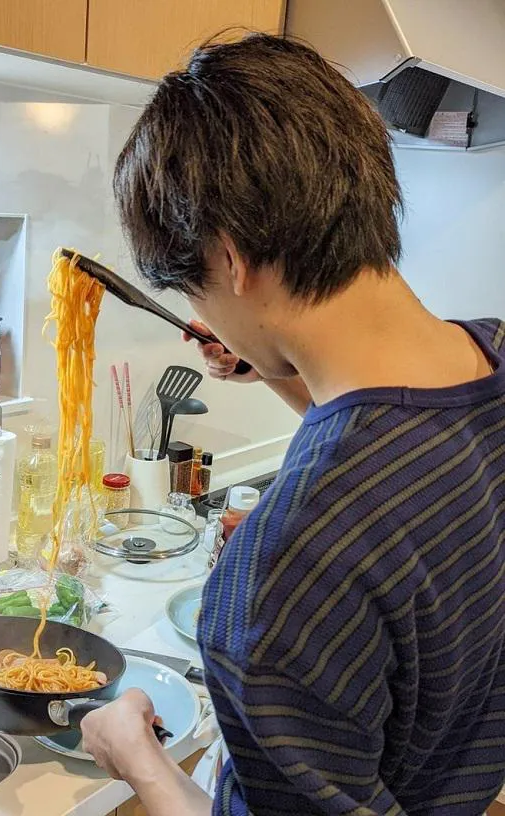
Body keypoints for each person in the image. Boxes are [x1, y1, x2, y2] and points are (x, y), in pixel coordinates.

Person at [80, 33, 505, 816]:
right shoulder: (484, 352)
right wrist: (274, 364)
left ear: (231, 260)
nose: (205, 318)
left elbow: (351, 497)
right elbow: (392, 453)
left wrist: (134, 758)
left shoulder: (283, 567)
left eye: (195, 293)